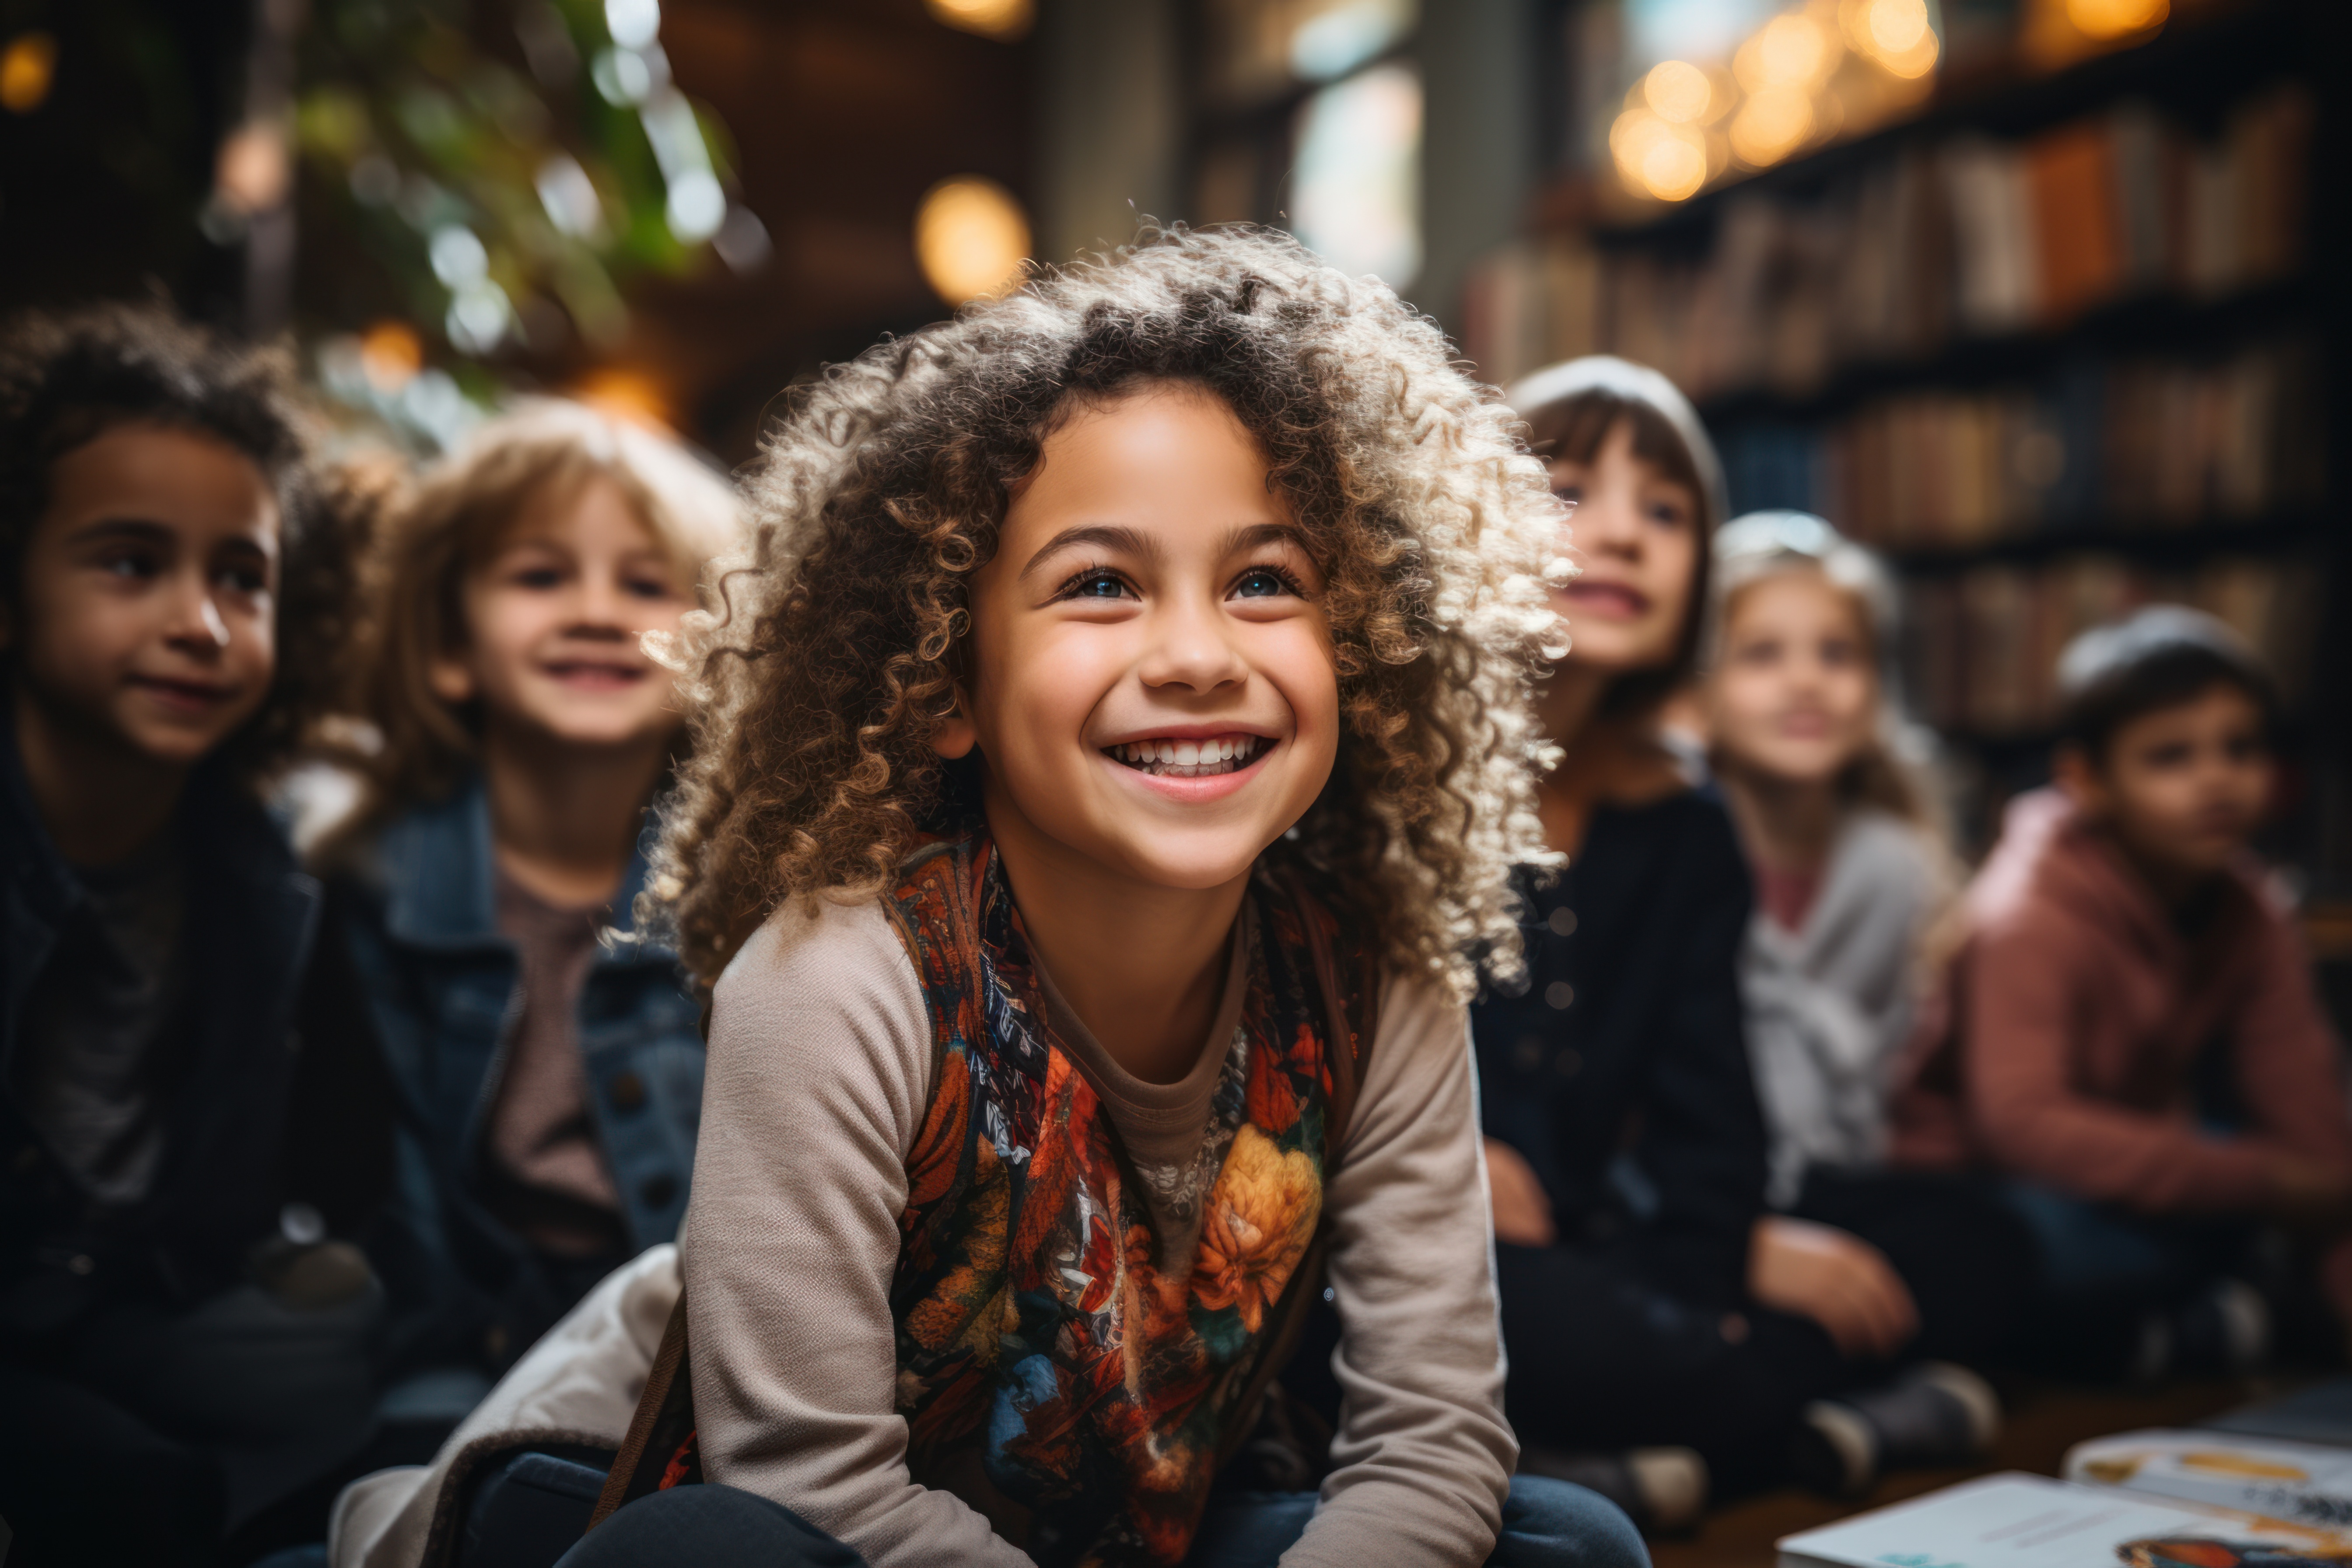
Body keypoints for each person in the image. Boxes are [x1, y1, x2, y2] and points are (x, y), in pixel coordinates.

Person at [554, 228, 1642, 1568]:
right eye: (1100, 587)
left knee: (1570, 1544)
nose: (1196, 655)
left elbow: (1433, 1437)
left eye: (1263, 583)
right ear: (946, 683)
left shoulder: (1379, 977)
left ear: (1357, 646)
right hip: (722, 1520)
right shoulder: (840, 976)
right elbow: (807, 1479)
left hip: (1131, 1538)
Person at [1474, 360, 1994, 1528]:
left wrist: (1712, 1275)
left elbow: (1714, 1111)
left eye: (1665, 513)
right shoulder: (1404, 773)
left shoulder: (1685, 825)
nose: (1620, 535)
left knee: (1965, 1245)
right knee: (1498, 1317)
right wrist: (1446, 1163)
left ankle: (1648, 1437)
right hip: (1434, 1245)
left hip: (1615, 1235)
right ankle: (1762, 1422)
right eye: (1567, 491)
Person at [0, 303, 392, 1564]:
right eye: (129, 563)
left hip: (114, 1305)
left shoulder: (253, 868)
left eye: (242, 576)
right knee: (139, 1489)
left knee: (352, 1362)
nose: (202, 623)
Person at [315, 402, 742, 1394]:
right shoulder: (370, 884)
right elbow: (397, 1216)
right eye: (541, 576)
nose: (597, 610)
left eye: (646, 582)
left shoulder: (750, 886)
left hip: (685, 1342)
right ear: (450, 648)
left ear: (718, 650)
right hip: (469, 1342)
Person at [1892, 605, 2352, 1378]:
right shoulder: (2028, 914)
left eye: (2241, 748)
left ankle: (2186, 1325)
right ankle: (2188, 1320)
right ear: (2086, 781)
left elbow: (2309, 1123)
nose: (2217, 779)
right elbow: (2023, 1127)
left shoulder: (2250, 904)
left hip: (2120, 1157)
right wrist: (2267, 1184)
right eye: (2170, 757)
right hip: (1982, 1184)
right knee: (2033, 1251)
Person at [1700, 511, 2028, 1380]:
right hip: (1695, 1183)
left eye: (1837, 655)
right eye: (1762, 654)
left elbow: (1894, 1081)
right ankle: (1841, 1396)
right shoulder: (1676, 847)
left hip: (1836, 1173)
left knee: (1987, 1249)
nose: (1806, 683)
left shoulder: (1896, 869)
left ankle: (1814, 1390)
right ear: (1699, 688)